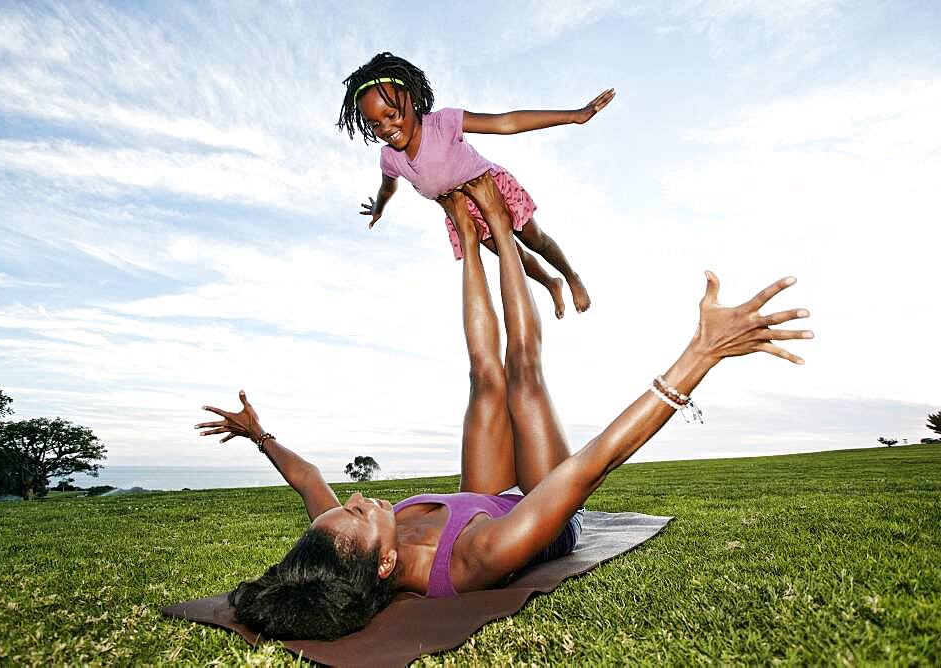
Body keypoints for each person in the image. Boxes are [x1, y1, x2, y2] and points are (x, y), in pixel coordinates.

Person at [195, 173, 813, 640]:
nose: (353, 501)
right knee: (522, 374)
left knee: (483, 379)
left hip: (479, 495)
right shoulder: (477, 558)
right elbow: (591, 465)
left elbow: (306, 479)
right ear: (386, 563)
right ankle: (503, 232)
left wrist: (259, 435)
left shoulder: (347, 541)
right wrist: (698, 357)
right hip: (532, 510)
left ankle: (469, 238)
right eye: (355, 514)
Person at [337, 52, 615, 319]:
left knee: (536, 240)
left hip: (492, 189)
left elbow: (505, 122)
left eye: (392, 114)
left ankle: (569, 274)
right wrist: (378, 208)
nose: (386, 128)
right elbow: (388, 188)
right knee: (513, 257)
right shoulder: (390, 158)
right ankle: (550, 282)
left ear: (410, 98)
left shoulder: (443, 122)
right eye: (375, 124)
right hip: (466, 214)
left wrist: (575, 116)